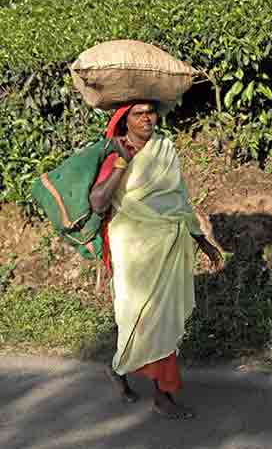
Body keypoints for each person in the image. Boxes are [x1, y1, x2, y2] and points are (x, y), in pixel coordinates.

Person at [89, 101, 220, 419]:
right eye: (138, 113)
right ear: (125, 120)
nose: (147, 117)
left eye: (150, 111)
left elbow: (179, 198)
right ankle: (125, 370)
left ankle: (152, 389)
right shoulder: (115, 152)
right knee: (138, 318)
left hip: (169, 247)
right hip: (133, 251)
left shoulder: (165, 147)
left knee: (164, 321)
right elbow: (97, 202)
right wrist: (121, 164)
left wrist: (202, 240)